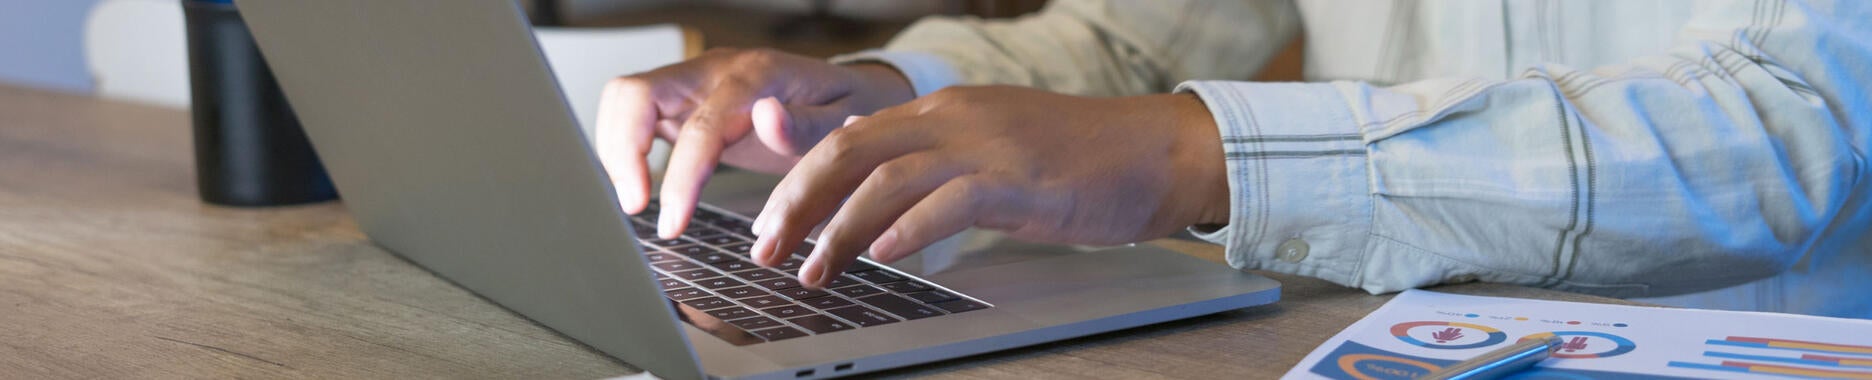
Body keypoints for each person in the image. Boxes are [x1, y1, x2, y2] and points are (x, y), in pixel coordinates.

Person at [594, 0, 1872, 318]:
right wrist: (879, 104)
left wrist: (1195, 156)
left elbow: (1785, 128)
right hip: (1385, 336)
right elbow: (1132, 38)